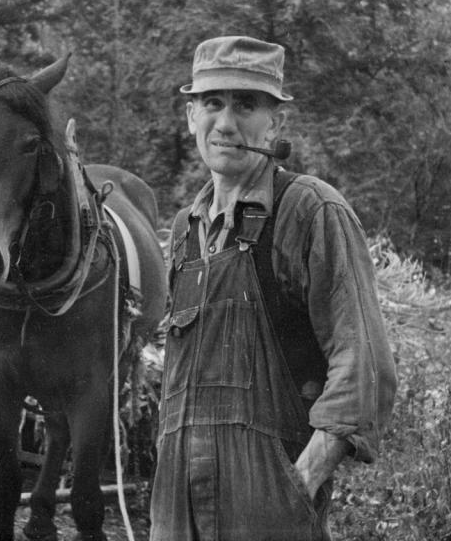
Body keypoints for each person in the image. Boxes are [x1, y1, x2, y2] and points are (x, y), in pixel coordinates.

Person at [149, 35, 398, 540]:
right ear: (190, 118)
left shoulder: (309, 210)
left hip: (267, 507)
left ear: (275, 123)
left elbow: (363, 362)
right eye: (212, 103)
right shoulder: (184, 230)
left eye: (246, 105)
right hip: (176, 508)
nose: (226, 122)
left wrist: (297, 486)